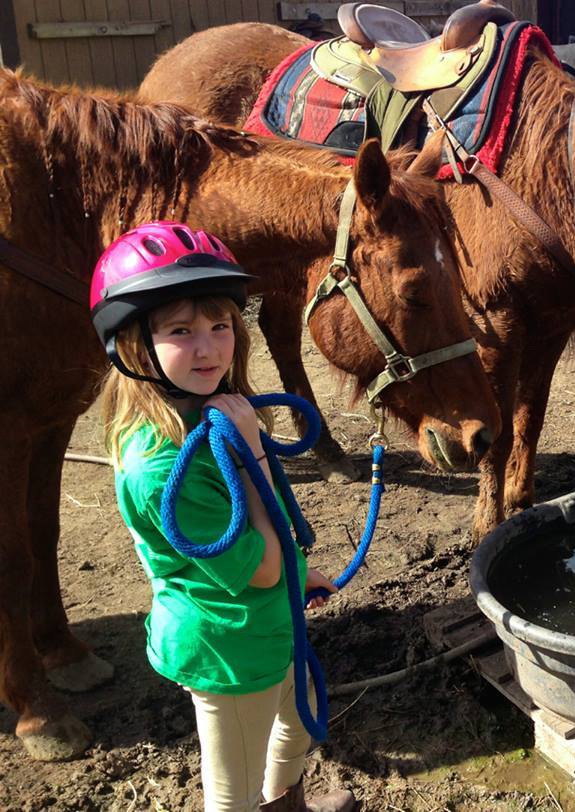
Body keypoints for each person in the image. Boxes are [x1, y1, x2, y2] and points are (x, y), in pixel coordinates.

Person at [90, 222, 355, 812]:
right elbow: (258, 568)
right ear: (133, 343)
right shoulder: (161, 469)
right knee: (229, 788)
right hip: (228, 650)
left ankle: (286, 803)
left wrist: (298, 571)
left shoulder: (202, 415)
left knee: (298, 721)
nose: (208, 347)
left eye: (219, 326)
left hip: (267, 624)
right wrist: (255, 449)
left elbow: (272, 561)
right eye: (181, 331)